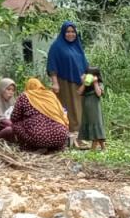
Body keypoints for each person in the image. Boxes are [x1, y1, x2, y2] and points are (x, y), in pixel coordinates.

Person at [46, 21, 88, 149]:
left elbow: (83, 65)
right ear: (63, 33)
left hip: (79, 84)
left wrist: (87, 77)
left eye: (73, 32)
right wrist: (55, 82)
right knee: (67, 109)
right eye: (68, 32)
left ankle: (80, 137)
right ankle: (68, 138)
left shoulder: (77, 47)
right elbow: (52, 65)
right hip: (64, 83)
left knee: (79, 109)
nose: (71, 34)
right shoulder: (57, 47)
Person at [8, 77, 70, 152]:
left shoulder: (24, 96)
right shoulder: (50, 95)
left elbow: (14, 117)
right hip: (60, 135)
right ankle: (57, 148)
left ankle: (29, 147)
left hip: (37, 138)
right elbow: (62, 114)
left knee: (16, 124)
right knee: (60, 124)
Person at [79, 67, 106, 151]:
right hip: (87, 108)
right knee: (90, 123)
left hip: (94, 108)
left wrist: (95, 83)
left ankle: (93, 148)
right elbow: (80, 92)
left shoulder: (99, 84)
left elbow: (99, 94)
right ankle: (103, 147)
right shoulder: (86, 86)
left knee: (96, 124)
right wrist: (83, 83)